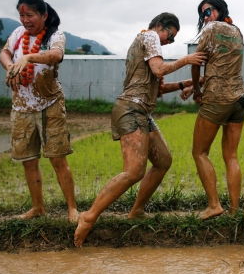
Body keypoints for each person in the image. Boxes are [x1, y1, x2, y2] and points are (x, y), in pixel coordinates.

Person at [74, 13, 207, 247]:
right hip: (131, 109)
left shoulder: (146, 44)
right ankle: (89, 215)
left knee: (163, 161)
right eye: (170, 35)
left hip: (141, 111)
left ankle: (136, 210)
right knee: (134, 171)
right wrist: (187, 60)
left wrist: (191, 83)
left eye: (173, 39)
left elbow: (159, 88)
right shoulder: (151, 36)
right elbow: (159, 71)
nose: (168, 41)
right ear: (158, 26)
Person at [0, 0, 78, 223]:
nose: (25, 19)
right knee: (29, 160)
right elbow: (4, 53)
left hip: (49, 105)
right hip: (21, 107)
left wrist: (29, 58)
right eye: (21, 15)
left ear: (43, 15)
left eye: (30, 15)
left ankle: (72, 209)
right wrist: (11, 65)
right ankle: (37, 207)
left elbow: (56, 55)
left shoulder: (54, 36)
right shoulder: (17, 34)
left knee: (57, 159)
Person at [186, 0, 244, 220]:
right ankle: (234, 211)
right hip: (240, 97)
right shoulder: (237, 31)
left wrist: (196, 90)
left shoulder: (210, 30)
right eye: (202, 14)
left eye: (208, 11)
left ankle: (214, 205)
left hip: (216, 97)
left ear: (219, 10)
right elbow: (223, 66)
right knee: (231, 156)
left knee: (199, 152)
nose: (205, 17)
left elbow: (197, 63)